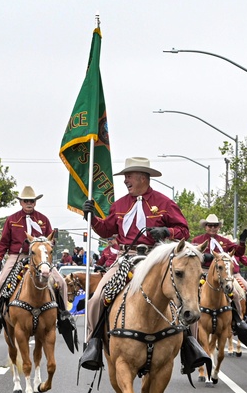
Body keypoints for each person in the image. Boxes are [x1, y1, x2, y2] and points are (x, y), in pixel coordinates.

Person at [78, 156, 190, 370]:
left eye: (128, 176)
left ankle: (190, 346)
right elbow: (106, 229)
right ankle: (94, 342)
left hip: (156, 259)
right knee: (97, 297)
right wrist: (91, 217)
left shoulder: (165, 202)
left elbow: (184, 230)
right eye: (125, 177)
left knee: (184, 296)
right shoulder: (119, 204)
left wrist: (168, 231)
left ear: (142, 177)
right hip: (126, 258)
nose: (125, 181)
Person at [0, 185, 72, 347]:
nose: (29, 203)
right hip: (17, 255)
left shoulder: (43, 219)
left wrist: (50, 244)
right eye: (26, 201)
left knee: (62, 282)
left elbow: (50, 240)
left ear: (35, 202)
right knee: (1, 282)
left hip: (39, 257)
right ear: (21, 202)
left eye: (31, 201)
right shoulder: (12, 220)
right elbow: (3, 242)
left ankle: (63, 315)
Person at [191, 212, 247, 331]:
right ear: (205, 226)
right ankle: (188, 321)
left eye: (215, 226)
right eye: (210, 225)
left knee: (236, 294)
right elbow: (192, 255)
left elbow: (239, 253)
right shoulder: (197, 240)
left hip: (223, 273)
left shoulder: (224, 241)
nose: (213, 228)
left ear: (219, 227)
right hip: (204, 271)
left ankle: (239, 321)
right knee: (189, 292)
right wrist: (204, 257)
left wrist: (242, 242)